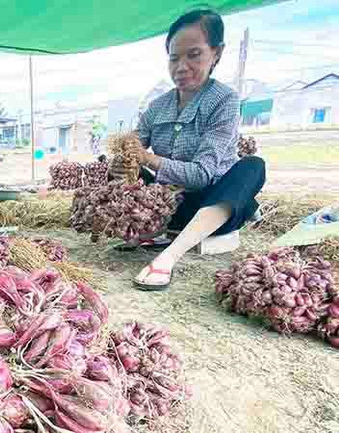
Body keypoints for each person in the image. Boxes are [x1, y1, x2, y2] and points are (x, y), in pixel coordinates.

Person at [109, 10, 266, 290]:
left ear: (216, 54)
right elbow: (135, 145)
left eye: (194, 55)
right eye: (174, 58)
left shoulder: (224, 101)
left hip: (210, 209)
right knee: (116, 168)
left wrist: (147, 157)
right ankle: (149, 231)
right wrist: (124, 159)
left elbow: (202, 175)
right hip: (167, 208)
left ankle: (168, 256)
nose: (181, 67)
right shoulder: (157, 107)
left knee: (253, 166)